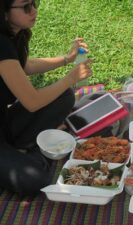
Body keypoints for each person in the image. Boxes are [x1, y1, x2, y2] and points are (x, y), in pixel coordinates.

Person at [0, 0, 93, 196]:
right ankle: (35, 153)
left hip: (4, 123)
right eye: (26, 7)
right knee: (35, 180)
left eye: (34, 3)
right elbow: (32, 102)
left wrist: (68, 58)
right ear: (5, 13)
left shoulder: (13, 34)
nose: (33, 11)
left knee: (64, 96)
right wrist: (71, 77)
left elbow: (25, 67)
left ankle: (26, 150)